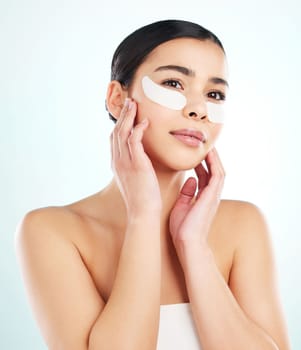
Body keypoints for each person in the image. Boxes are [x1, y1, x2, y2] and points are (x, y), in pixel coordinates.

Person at [15, 19, 290, 349]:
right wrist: (143, 215)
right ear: (118, 99)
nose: (199, 109)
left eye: (214, 93)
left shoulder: (244, 225)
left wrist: (193, 247)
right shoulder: (52, 232)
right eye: (174, 83)